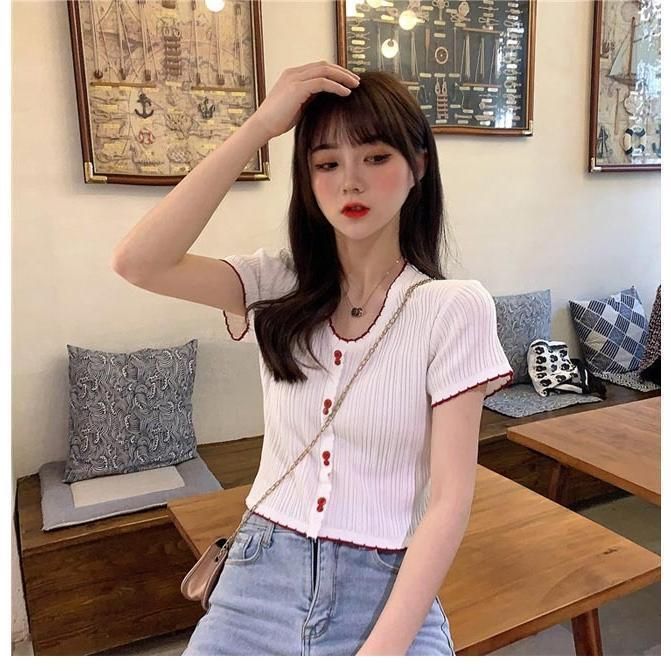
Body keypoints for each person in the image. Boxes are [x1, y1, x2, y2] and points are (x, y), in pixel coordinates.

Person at [111, 61, 513, 656]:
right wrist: (259, 127)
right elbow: (139, 262)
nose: (350, 182)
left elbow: (451, 501)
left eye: (375, 157)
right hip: (259, 573)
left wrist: (378, 654)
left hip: (384, 584)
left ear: (418, 166)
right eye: (327, 164)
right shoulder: (277, 284)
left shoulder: (452, 308)